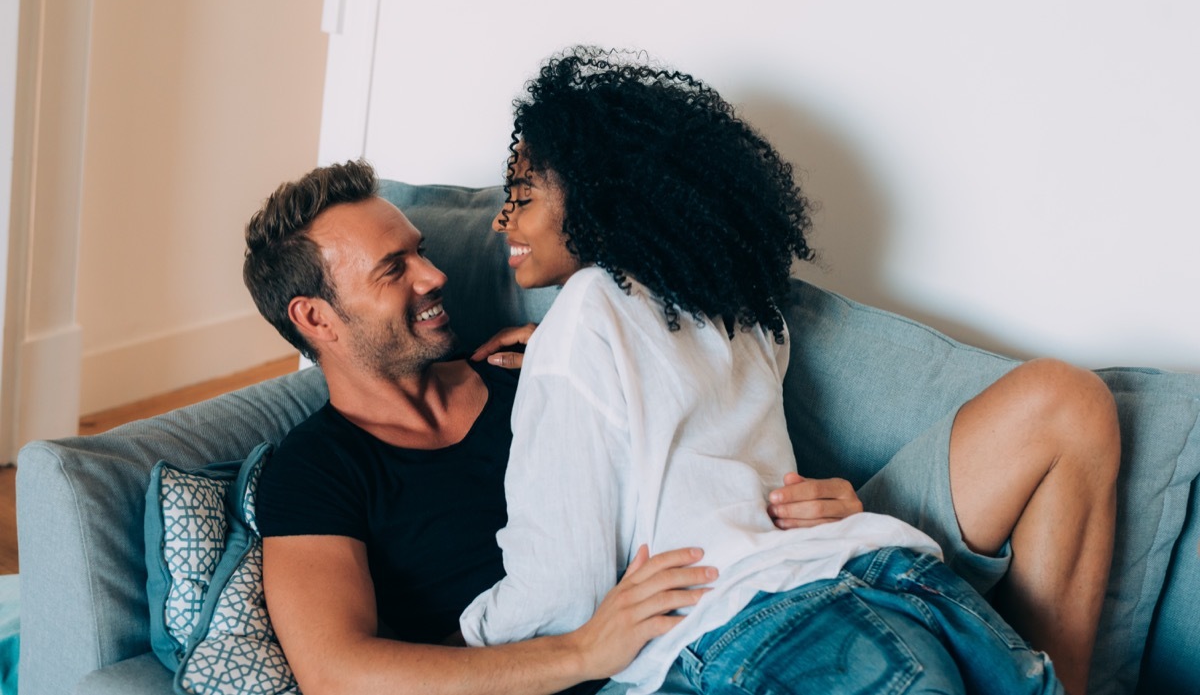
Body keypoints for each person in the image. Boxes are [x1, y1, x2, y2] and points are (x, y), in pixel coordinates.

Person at [460, 47, 1119, 695]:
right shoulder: (739, 308)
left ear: (595, 190)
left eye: (522, 193)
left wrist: (462, 643)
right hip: (886, 576)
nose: (501, 217)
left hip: (742, 631)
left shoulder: (581, 318)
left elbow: (560, 598)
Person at [245, 160, 862, 695]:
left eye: (421, 251)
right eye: (393, 269)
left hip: (698, 640)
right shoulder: (313, 470)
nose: (433, 276)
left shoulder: (533, 372)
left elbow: (710, 448)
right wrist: (584, 653)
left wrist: (814, 505)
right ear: (316, 319)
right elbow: (338, 675)